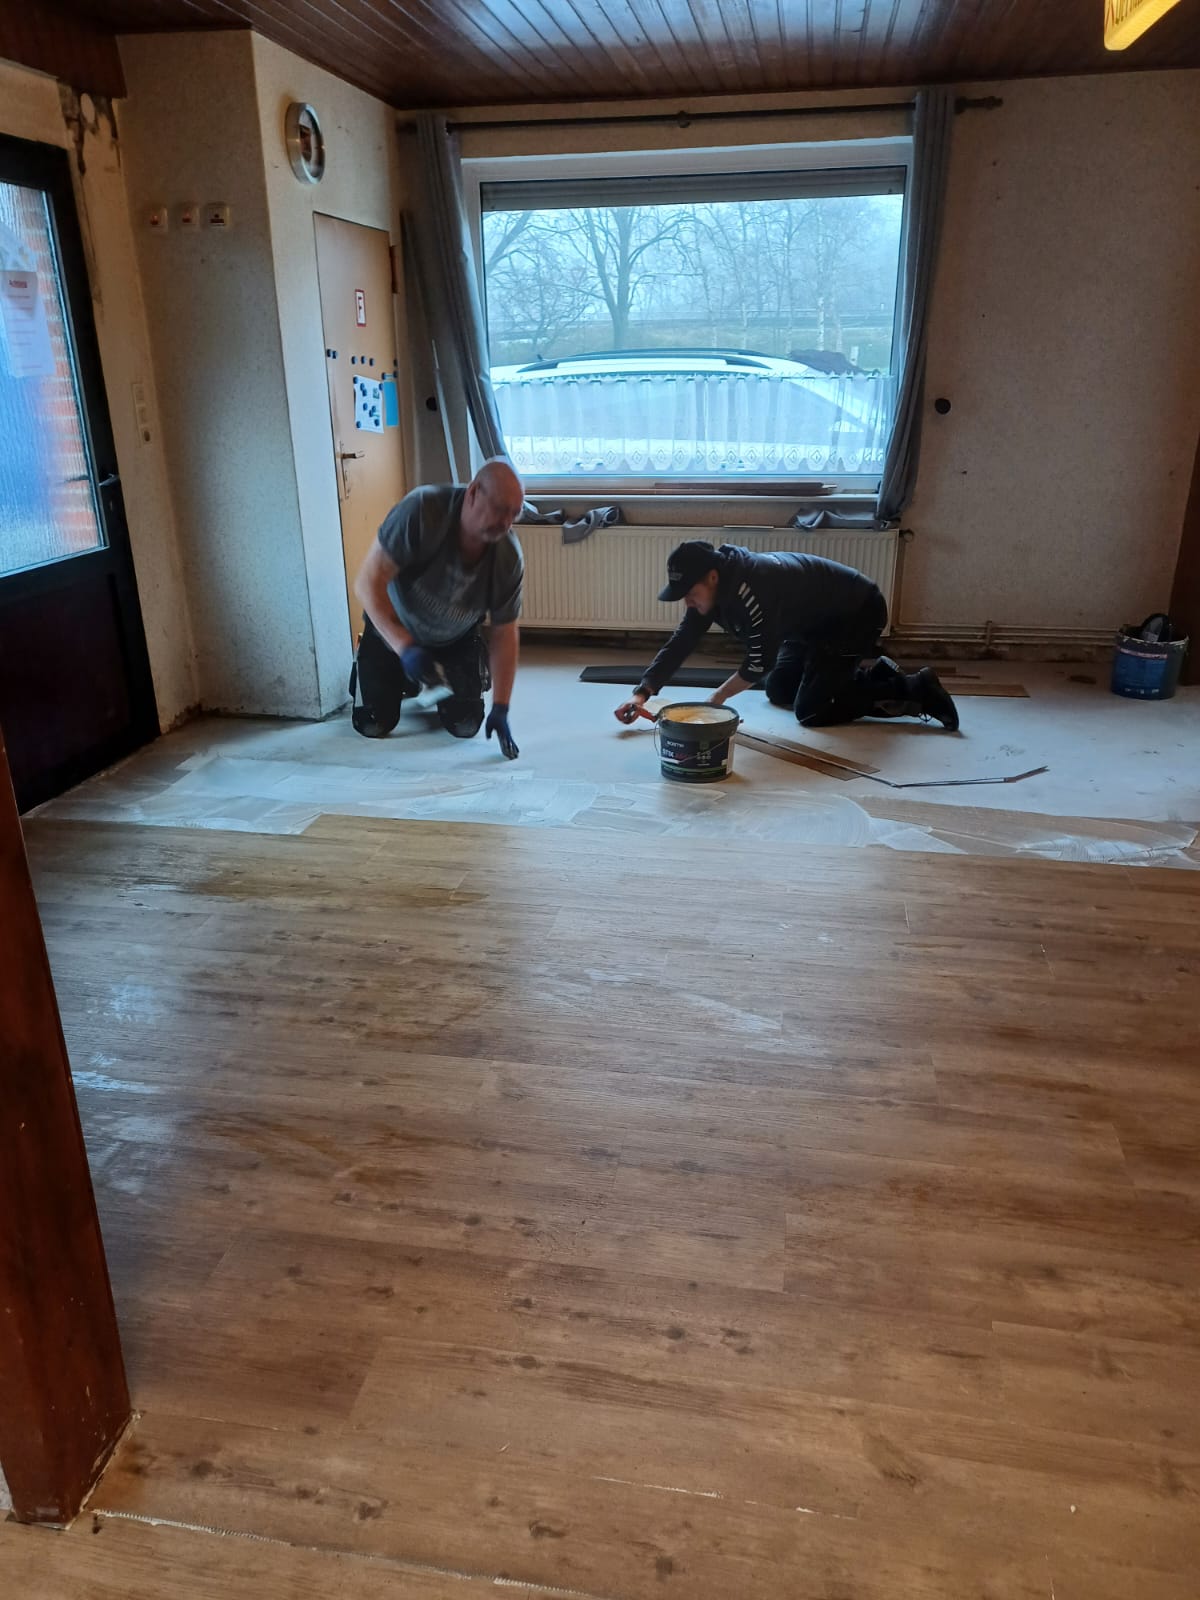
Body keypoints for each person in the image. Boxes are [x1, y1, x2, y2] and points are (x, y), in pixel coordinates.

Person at [615, 539, 959, 732]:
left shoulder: (753, 591)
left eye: (690, 593)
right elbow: (682, 641)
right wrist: (641, 694)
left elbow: (758, 663)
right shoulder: (713, 587)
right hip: (807, 621)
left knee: (811, 712)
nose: (687, 602)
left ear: (712, 577)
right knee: (779, 690)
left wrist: (714, 703)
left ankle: (913, 688)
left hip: (854, 613)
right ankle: (858, 675)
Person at [352, 458, 525, 758]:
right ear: (473, 493)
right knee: (373, 724)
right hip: (394, 631)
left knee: (466, 725)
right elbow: (367, 584)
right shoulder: (422, 511)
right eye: (499, 509)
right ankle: (390, 673)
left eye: (514, 513)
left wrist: (501, 706)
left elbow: (504, 633)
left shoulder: (507, 557)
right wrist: (405, 647)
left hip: (454, 639)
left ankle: (422, 678)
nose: (506, 524)